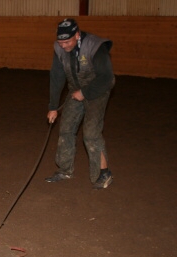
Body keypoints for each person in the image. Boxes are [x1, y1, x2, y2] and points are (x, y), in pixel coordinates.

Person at [45, 18, 115, 189]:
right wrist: (53, 106)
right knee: (66, 129)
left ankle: (103, 173)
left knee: (91, 133)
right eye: (60, 42)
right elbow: (56, 77)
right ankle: (65, 169)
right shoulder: (59, 48)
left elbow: (107, 78)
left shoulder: (95, 46)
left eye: (67, 41)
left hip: (97, 90)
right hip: (75, 90)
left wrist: (84, 93)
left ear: (77, 35)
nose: (63, 46)